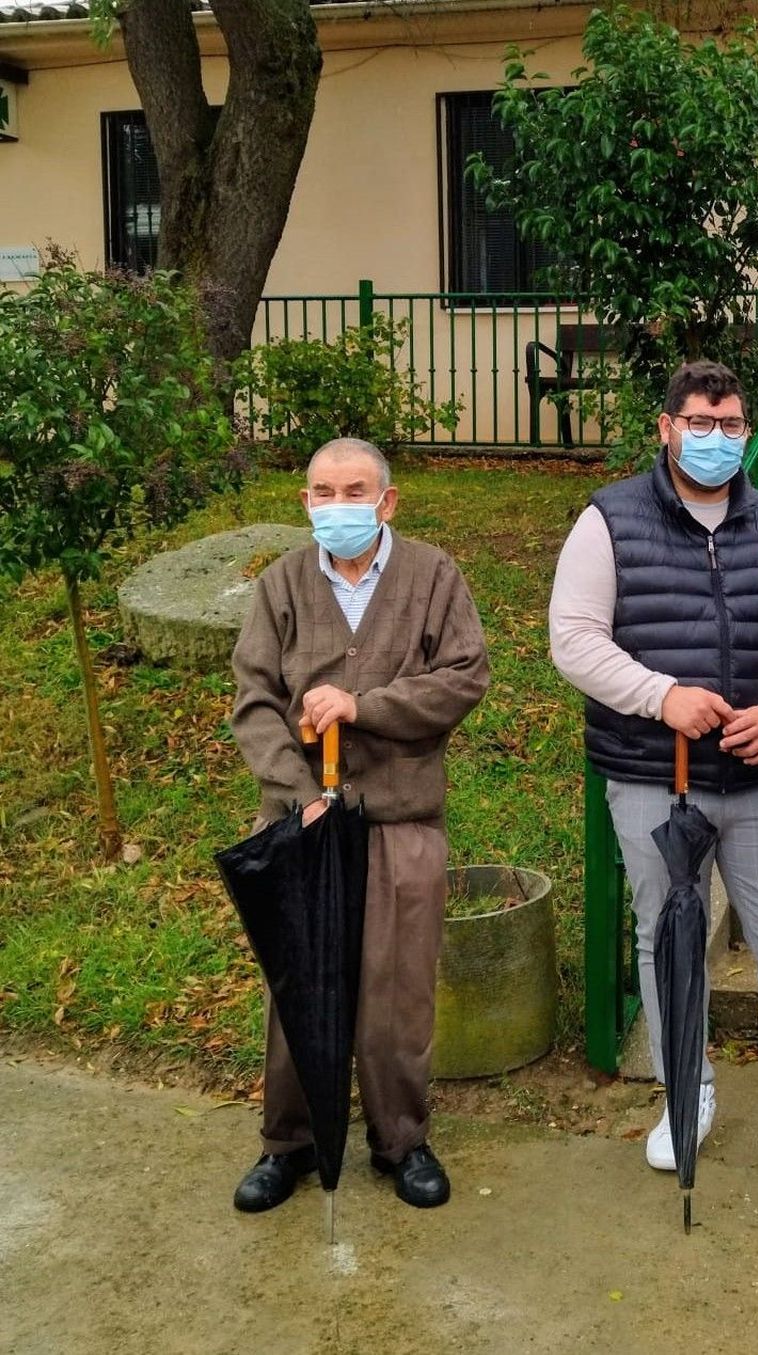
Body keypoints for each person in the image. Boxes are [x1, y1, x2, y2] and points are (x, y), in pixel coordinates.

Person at [549, 359, 758, 1178]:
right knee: (667, 938)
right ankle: (684, 1091)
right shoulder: (608, 520)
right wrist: (663, 697)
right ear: (666, 427)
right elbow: (574, 638)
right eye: (699, 422)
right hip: (658, 774)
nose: (716, 439)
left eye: (730, 425)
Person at [230, 437, 490, 1213]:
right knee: (296, 988)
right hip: (301, 824)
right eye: (321, 491)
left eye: (353, 490)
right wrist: (299, 791)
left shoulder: (433, 576)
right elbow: (254, 701)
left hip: (401, 819)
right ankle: (290, 1141)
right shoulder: (279, 585)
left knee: (398, 990)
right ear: (305, 501)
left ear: (387, 501)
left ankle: (401, 1139)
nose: (336, 504)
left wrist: (363, 705)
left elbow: (464, 675)